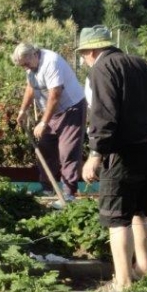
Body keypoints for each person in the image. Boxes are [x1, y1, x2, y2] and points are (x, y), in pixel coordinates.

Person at [78, 25, 147, 292]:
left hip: (125, 153)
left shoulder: (102, 69)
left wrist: (95, 154)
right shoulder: (140, 64)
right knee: (140, 213)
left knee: (117, 218)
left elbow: (104, 115)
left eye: (83, 54)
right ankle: (144, 270)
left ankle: (122, 282)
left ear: (92, 51)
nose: (84, 60)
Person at [11, 43, 86, 207]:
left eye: (26, 64)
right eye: (22, 66)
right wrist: (23, 110)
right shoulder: (31, 66)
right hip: (52, 111)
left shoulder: (51, 62)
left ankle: (68, 194)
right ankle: (47, 189)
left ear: (34, 54)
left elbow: (55, 95)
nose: (25, 68)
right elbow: (30, 88)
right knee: (45, 149)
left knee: (67, 152)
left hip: (71, 109)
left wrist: (44, 122)